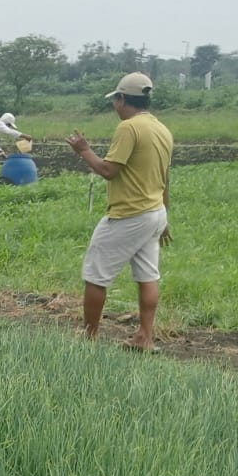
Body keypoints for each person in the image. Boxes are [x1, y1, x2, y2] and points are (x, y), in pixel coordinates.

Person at [65, 72, 173, 351]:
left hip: (129, 214)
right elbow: (165, 178)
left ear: (122, 99)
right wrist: (166, 218)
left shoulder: (129, 128)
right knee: (148, 275)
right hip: (154, 212)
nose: (115, 106)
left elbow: (109, 170)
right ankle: (145, 337)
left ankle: (89, 338)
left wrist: (84, 150)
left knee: (95, 274)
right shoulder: (162, 129)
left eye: (116, 100)